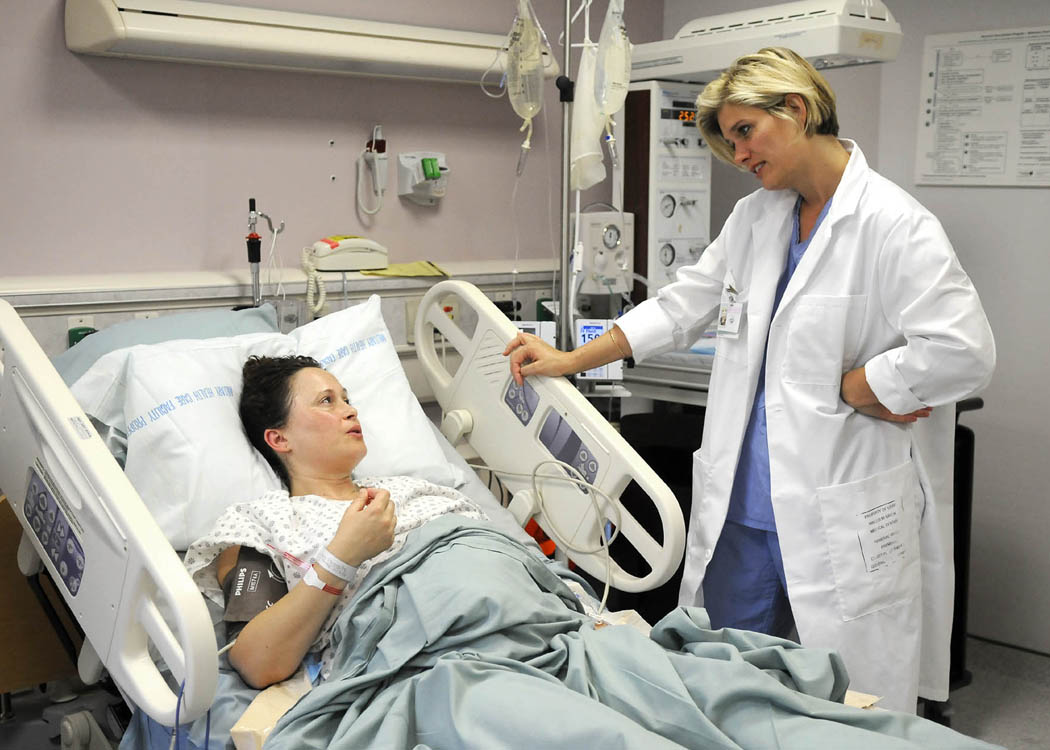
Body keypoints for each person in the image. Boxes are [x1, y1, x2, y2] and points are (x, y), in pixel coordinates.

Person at [504, 47, 995, 712]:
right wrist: (566, 359)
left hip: (837, 504)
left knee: (846, 695)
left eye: (743, 132)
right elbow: (681, 306)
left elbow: (964, 351)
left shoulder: (894, 223)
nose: (737, 155)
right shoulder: (757, 218)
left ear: (795, 109)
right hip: (743, 505)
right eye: (728, 140)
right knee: (732, 680)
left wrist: (861, 386)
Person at [182, 355, 487, 688]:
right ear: (280, 440)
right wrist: (342, 557)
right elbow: (256, 662)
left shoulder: (416, 489)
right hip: (436, 660)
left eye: (346, 399)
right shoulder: (262, 524)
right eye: (327, 401)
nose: (350, 410)